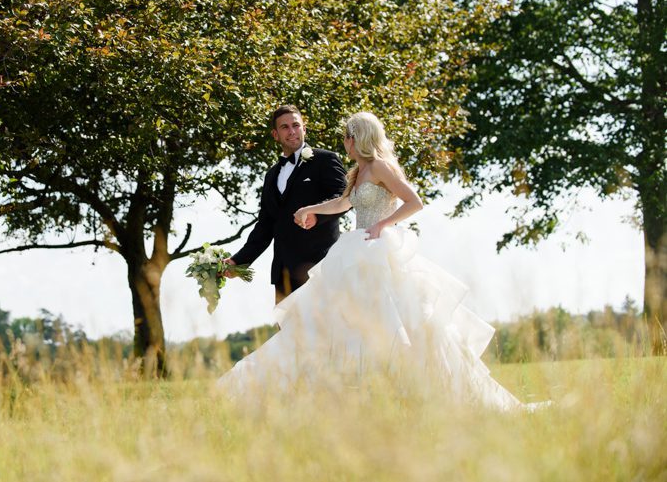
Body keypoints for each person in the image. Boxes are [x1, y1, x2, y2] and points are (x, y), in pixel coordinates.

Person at [217, 112, 524, 410]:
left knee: (399, 320)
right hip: (357, 248)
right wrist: (308, 209)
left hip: (378, 250)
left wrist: (383, 225)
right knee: (346, 322)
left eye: (347, 138)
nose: (344, 143)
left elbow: (414, 202)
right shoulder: (358, 172)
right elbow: (342, 202)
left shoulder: (379, 167)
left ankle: (420, 390)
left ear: (357, 138)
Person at [226, 105, 348, 304]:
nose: (292, 131)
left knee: (325, 334)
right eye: (285, 127)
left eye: (296, 125)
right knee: (288, 335)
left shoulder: (325, 160)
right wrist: (238, 261)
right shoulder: (271, 175)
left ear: (304, 129)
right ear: (275, 134)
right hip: (284, 276)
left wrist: (317, 215)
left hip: (321, 267)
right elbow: (265, 226)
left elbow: (344, 197)